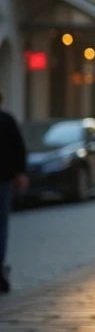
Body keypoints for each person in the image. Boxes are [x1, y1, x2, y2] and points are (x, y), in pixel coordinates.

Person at [0, 92, 29, 294]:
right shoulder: (7, 121)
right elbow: (19, 150)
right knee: (1, 224)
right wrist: (20, 174)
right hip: (3, 180)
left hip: (4, 180)